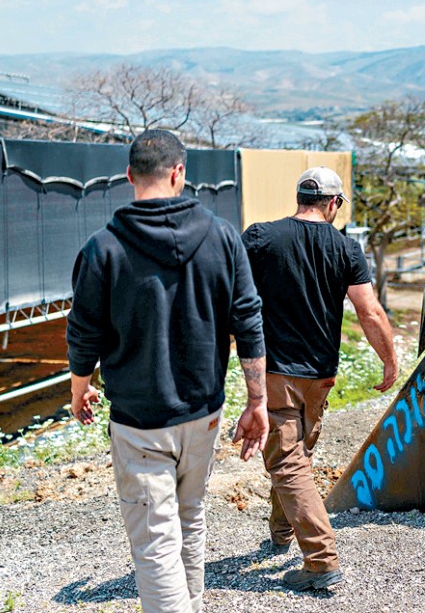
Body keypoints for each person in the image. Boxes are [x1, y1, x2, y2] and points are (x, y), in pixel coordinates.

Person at [66, 129, 269, 613]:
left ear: (129, 176)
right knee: (190, 519)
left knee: (155, 541)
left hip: (139, 422)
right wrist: (257, 401)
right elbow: (248, 321)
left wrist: (80, 387)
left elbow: (83, 333)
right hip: (204, 414)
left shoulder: (102, 248)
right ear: (179, 173)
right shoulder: (223, 236)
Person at [241, 166, 398, 591]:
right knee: (294, 454)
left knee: (287, 459)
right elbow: (370, 311)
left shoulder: (260, 237)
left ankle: (321, 559)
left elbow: (229, 294)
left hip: (276, 371)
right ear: (333, 203)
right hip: (321, 377)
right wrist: (389, 360)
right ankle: (281, 531)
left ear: (299, 197)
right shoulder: (346, 248)